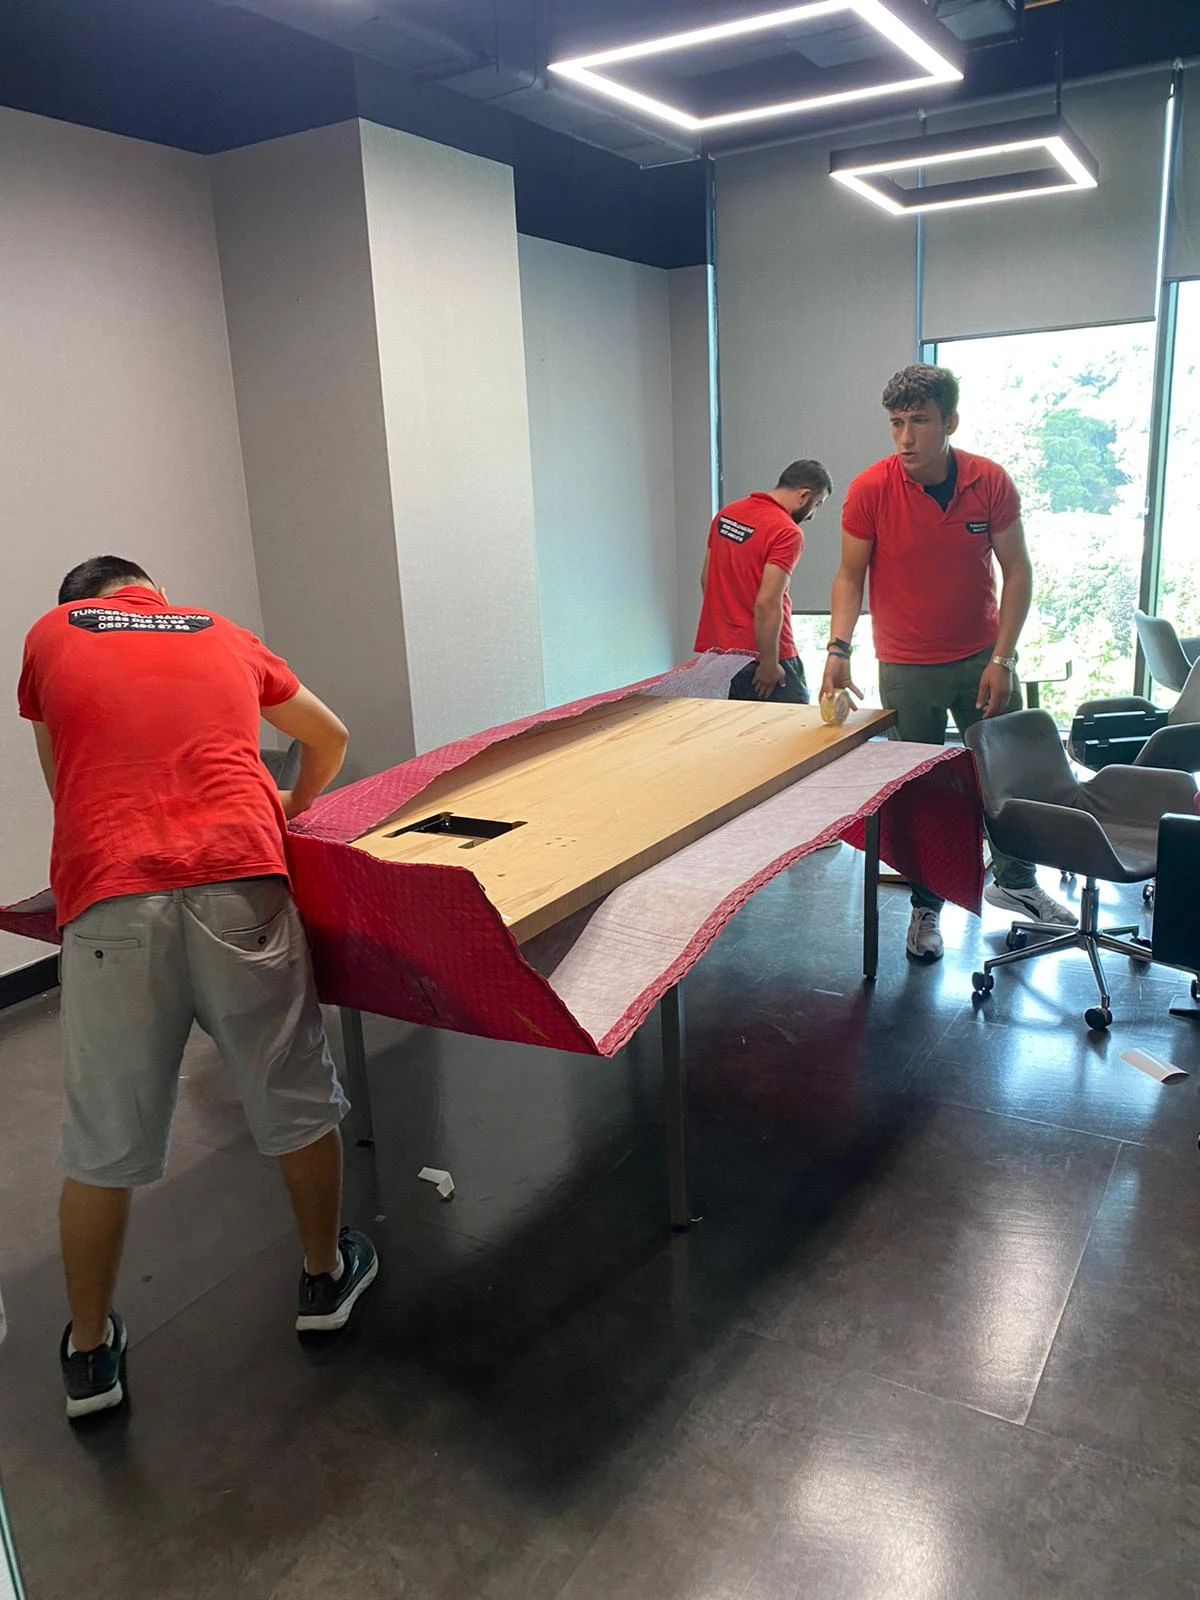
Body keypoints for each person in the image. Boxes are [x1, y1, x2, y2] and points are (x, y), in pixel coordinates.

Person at [17, 556, 378, 1421]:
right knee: (292, 1090)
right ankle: (325, 1278)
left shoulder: (50, 636)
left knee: (105, 1133)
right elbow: (330, 736)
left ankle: (91, 1353)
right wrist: (282, 809)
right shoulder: (220, 631)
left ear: (78, 607)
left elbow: (64, 779)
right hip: (239, 882)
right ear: (153, 595)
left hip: (111, 899)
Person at [821, 365, 1076, 962]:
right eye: (896, 424)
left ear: (949, 422)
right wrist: (837, 649)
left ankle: (1015, 884)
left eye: (920, 422)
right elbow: (849, 576)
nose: (906, 437)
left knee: (1002, 778)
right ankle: (926, 906)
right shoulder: (869, 490)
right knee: (927, 791)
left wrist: (1004, 658)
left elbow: (1018, 571)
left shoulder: (989, 482)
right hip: (906, 666)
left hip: (981, 660)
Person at [696, 459, 832, 702]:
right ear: (804, 495)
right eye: (817, 505)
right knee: (798, 732)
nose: (812, 516)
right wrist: (769, 664)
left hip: (722, 659)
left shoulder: (726, 515)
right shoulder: (786, 531)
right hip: (764, 659)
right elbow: (768, 602)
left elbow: (706, 580)